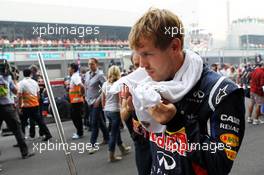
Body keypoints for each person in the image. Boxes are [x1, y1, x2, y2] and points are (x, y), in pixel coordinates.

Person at [126, 8, 245, 175]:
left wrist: (177, 123)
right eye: (138, 55)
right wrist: (130, 115)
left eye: (147, 54)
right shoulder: (148, 85)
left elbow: (220, 165)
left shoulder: (221, 91)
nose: (141, 64)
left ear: (175, 46)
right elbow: (144, 145)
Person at [120, 52, 152, 175]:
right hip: (141, 143)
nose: (140, 69)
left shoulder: (158, 79)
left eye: (143, 65)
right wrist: (129, 106)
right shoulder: (128, 83)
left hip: (161, 142)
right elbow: (123, 115)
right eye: (136, 65)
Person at [0, 59, 34, 159]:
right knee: (17, 130)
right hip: (8, 108)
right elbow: (15, 91)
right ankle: (25, 153)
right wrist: (14, 79)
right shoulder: (8, 77)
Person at [101, 65, 131, 162]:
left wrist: (104, 108)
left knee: (115, 130)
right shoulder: (119, 84)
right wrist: (123, 112)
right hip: (115, 111)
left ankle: (122, 148)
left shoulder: (105, 84)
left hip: (107, 110)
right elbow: (120, 100)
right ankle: (111, 156)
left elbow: (103, 98)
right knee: (113, 133)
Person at [18, 69, 52, 141]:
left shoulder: (21, 83)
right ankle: (48, 134)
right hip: (35, 105)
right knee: (40, 121)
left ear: (23, 74)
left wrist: (20, 106)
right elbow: (38, 95)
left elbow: (19, 95)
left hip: (26, 106)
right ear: (30, 74)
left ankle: (21, 139)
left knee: (22, 123)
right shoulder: (35, 82)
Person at [84, 58, 109, 154]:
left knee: (94, 123)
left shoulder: (100, 75)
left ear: (96, 64)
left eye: (92, 64)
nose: (90, 66)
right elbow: (86, 87)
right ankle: (107, 138)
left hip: (96, 103)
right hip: (88, 101)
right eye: (89, 64)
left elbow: (105, 88)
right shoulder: (87, 74)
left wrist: (99, 100)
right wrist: (85, 97)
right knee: (100, 122)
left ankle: (92, 145)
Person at [68, 63, 85, 139]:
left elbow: (82, 86)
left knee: (76, 117)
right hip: (75, 101)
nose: (68, 69)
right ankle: (79, 131)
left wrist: (82, 94)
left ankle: (79, 133)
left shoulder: (75, 77)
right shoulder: (74, 76)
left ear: (73, 69)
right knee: (76, 117)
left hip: (76, 101)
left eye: (69, 68)